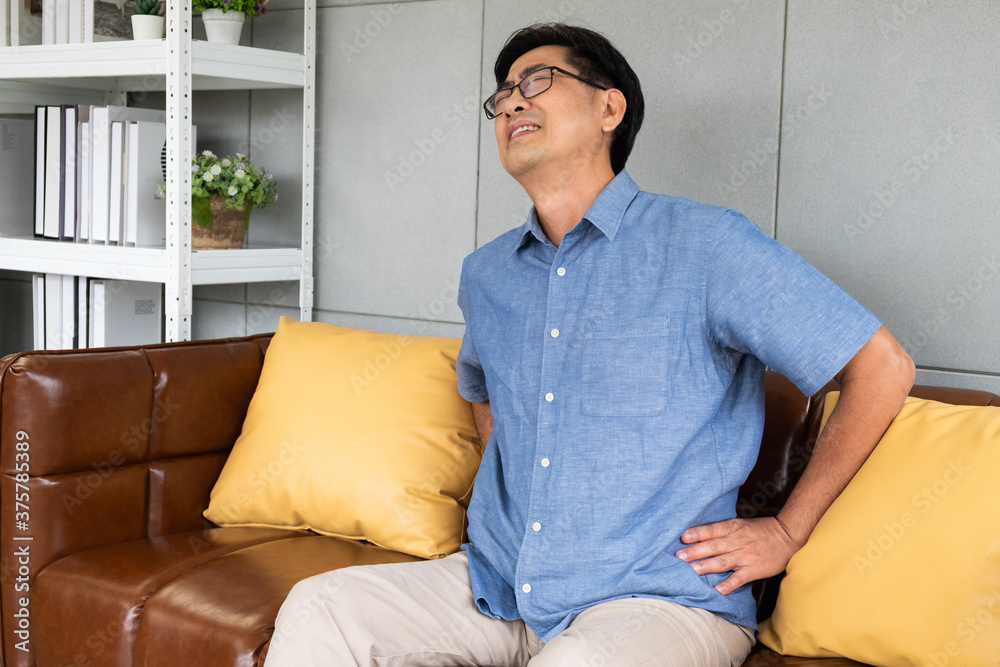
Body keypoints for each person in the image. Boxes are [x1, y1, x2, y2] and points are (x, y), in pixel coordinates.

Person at [264, 23, 915, 666]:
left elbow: (882, 367)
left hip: (659, 603)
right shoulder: (488, 274)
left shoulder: (706, 245)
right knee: (319, 609)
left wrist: (786, 528)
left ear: (610, 107)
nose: (512, 101)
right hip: (499, 588)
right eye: (503, 95)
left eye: (538, 81)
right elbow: (483, 390)